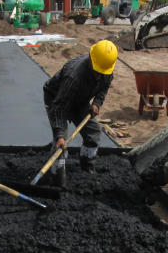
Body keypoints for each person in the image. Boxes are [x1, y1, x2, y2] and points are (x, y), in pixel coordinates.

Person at [42, 40, 118, 187]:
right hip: (57, 99)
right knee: (60, 145)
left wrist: (97, 103)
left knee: (94, 132)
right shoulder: (74, 77)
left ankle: (87, 167)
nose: (100, 74)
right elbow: (59, 108)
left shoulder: (105, 68)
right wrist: (59, 135)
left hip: (80, 99)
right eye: (98, 71)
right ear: (91, 58)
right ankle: (57, 178)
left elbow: (104, 87)